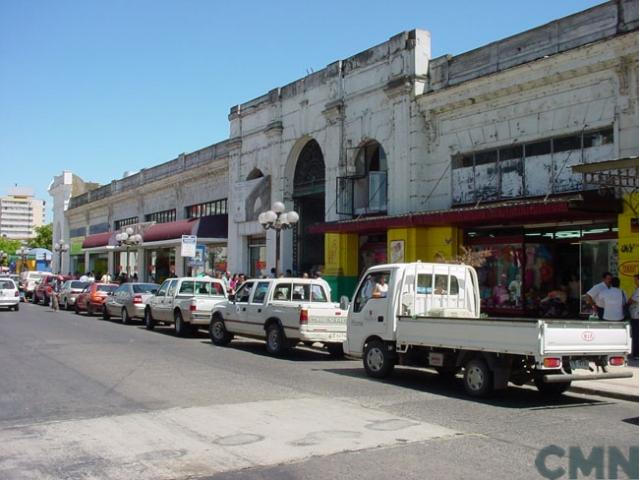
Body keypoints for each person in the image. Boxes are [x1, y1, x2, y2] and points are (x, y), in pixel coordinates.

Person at [628, 273, 639, 359]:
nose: (635, 281)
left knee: (636, 335)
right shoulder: (637, 289)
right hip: (635, 314)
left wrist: (629, 301)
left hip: (637, 316)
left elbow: (632, 301)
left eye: (636, 279)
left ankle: (636, 354)